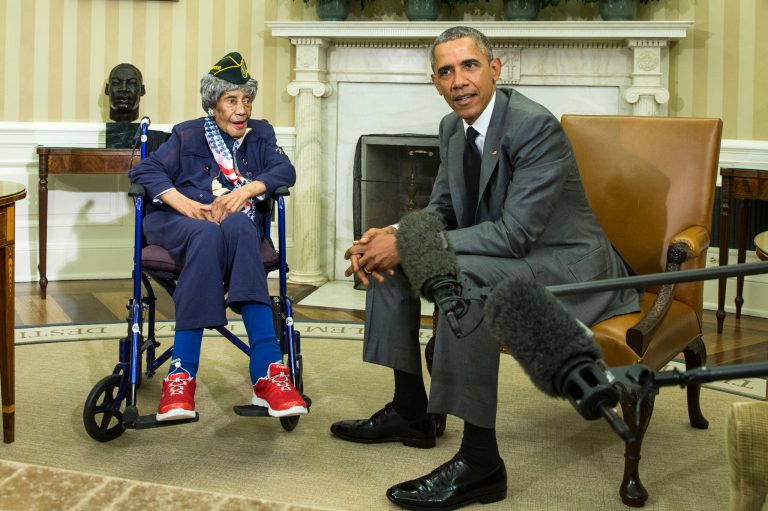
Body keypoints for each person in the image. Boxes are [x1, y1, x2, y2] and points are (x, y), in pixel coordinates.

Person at [331, 26, 640, 510]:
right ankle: (411, 413)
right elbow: (441, 211)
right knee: (390, 263)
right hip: (510, 256)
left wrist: (409, 243)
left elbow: (515, 233)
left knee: (458, 280)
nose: (459, 81)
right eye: (446, 71)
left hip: (569, 264)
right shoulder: (452, 129)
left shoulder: (534, 127)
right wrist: (391, 234)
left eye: (470, 66)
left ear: (495, 70)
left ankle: (481, 463)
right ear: (435, 82)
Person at [128, 52, 306, 422]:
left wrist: (246, 191)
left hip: (232, 227)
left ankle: (269, 374)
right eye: (231, 100)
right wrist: (181, 202)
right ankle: (181, 375)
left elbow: (283, 169)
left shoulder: (262, 134)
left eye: (247, 99)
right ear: (213, 105)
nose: (242, 109)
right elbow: (146, 170)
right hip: (181, 224)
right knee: (208, 233)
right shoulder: (188, 134)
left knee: (242, 223)